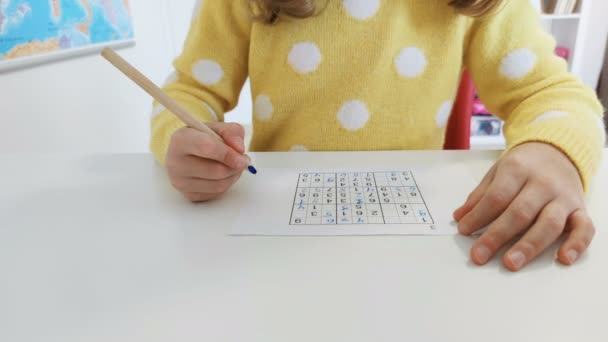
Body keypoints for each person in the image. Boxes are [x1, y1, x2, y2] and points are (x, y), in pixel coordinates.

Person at [150, 0, 606, 271]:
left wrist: (555, 150)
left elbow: (549, 91)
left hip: (413, 250)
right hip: (270, 243)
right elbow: (190, 90)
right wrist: (183, 135)